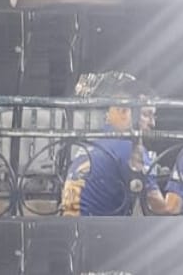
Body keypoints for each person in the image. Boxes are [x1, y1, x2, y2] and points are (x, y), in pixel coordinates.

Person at [60, 73, 171, 216]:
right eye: (146, 114)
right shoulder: (131, 148)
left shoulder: (95, 141)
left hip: (70, 226)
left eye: (153, 116)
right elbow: (158, 207)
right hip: (97, 232)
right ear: (123, 111)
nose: (152, 123)